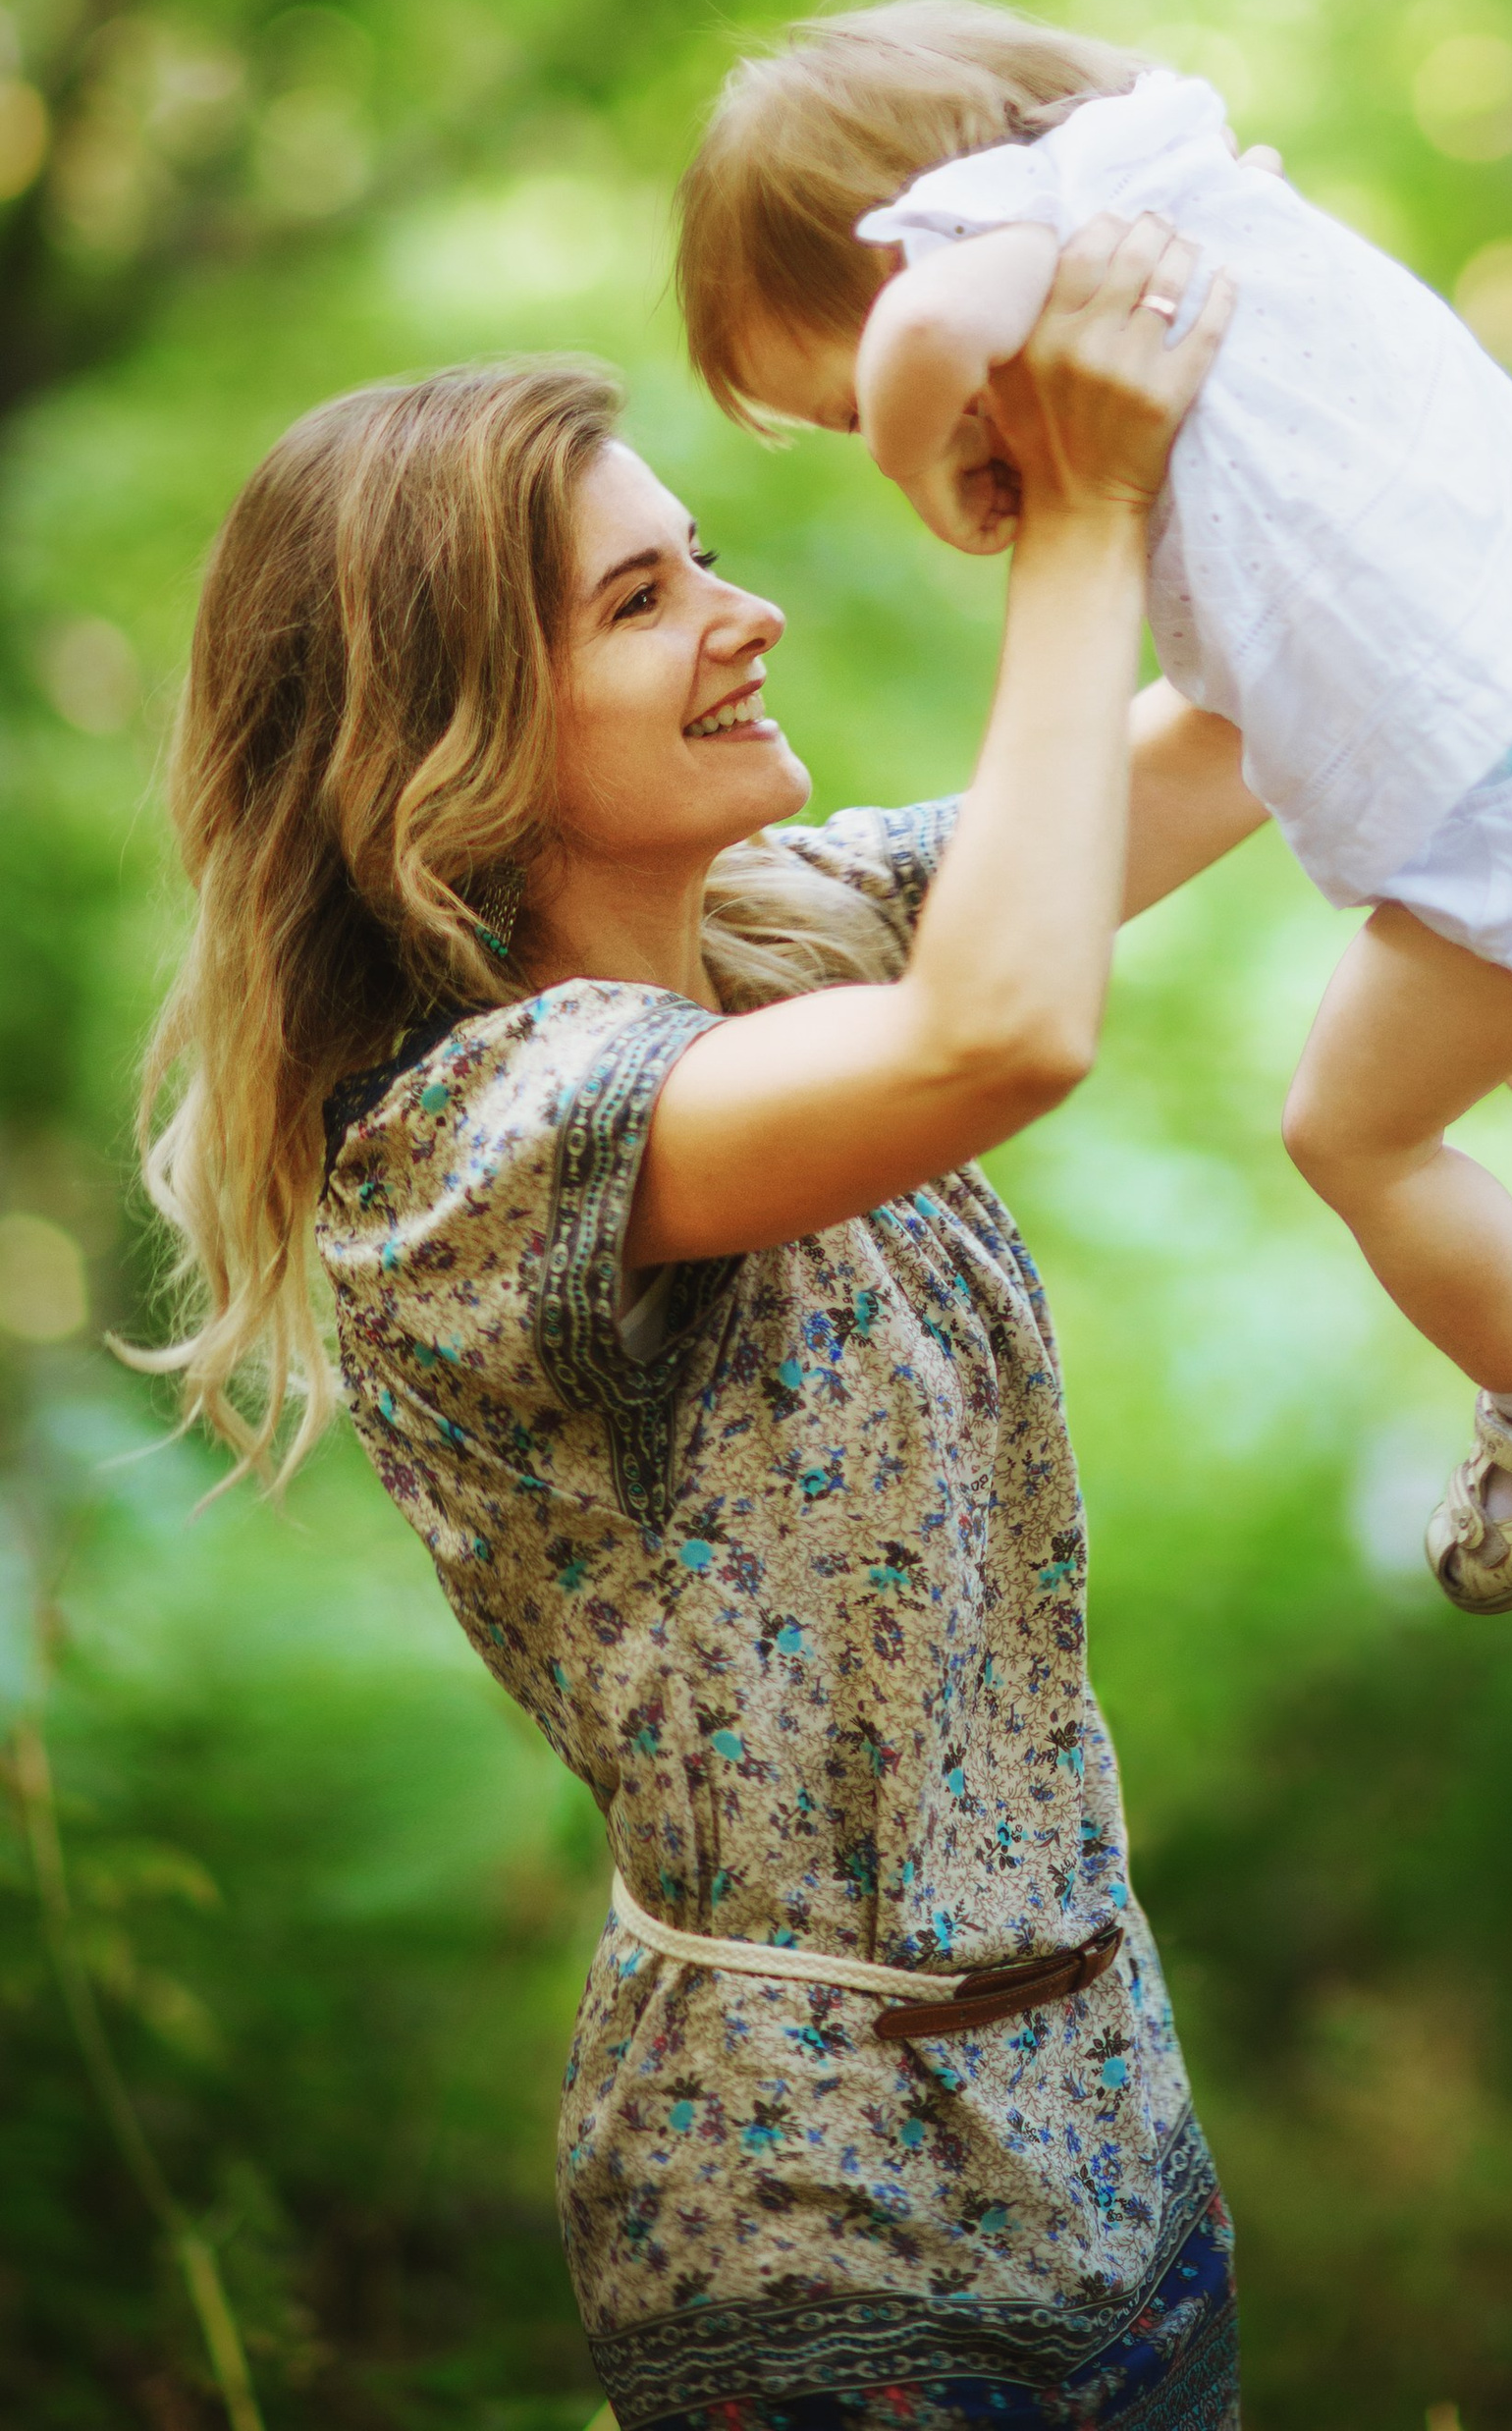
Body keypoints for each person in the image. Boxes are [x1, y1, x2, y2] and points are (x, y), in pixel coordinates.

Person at [135, 217, 1259, 2431]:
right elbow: (1008, 1027)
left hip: (1109, 2146)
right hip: (834, 2248)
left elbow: (1248, 738)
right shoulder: (474, 1146)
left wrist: (1228, 354)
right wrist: (1087, 529)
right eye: (639, 604)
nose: (739, 619)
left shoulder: (768, 930)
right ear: (447, 731)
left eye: (699, 555)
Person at [674, 0, 1512, 1621]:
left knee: (1354, 1133)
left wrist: (927, 463)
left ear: (889, 240)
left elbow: (914, 339)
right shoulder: (1185, 194)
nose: (865, 433)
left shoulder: (999, 233)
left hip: (1506, 827)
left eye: (820, 410)